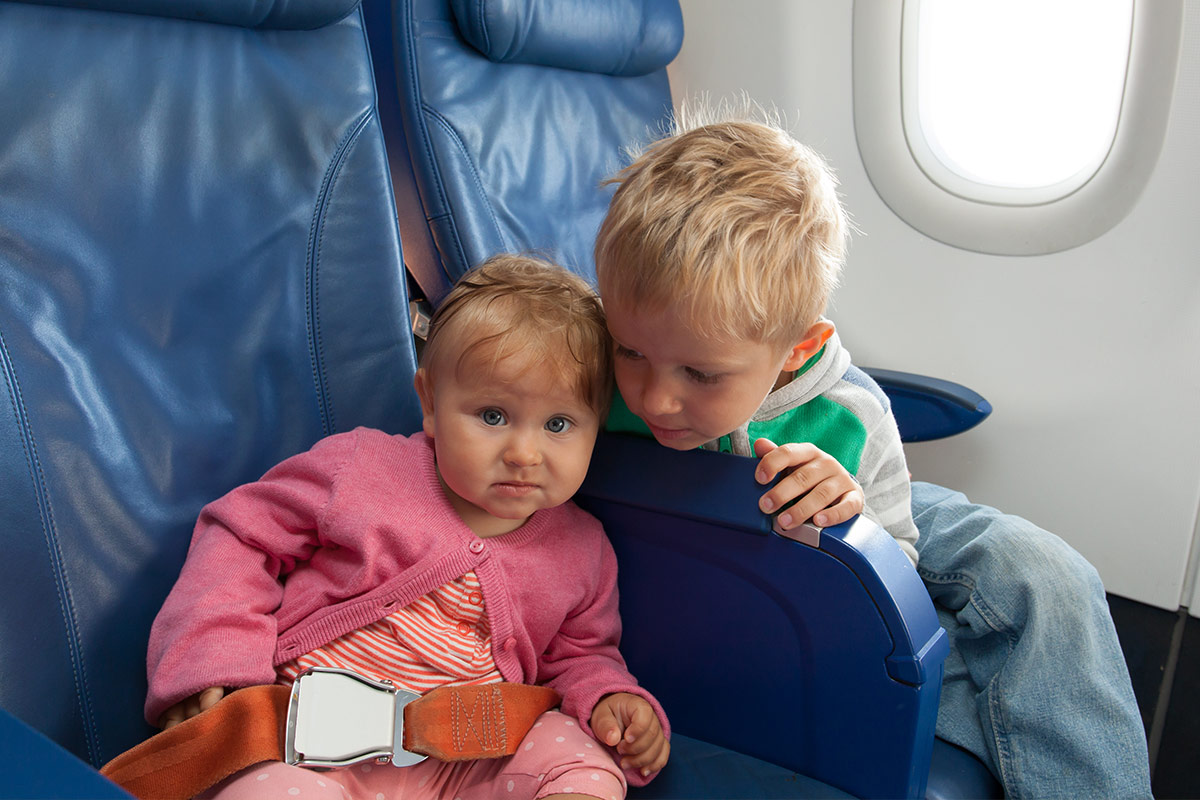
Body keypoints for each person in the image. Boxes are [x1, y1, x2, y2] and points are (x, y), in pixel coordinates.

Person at [593, 113, 1152, 799]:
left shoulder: (851, 415)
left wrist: (849, 517)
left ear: (797, 349)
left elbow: (898, 570)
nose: (654, 399)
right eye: (630, 352)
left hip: (862, 502)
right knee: (986, 675)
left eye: (701, 376)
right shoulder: (596, 359)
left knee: (1046, 572)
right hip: (748, 540)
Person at [142, 255, 670, 800]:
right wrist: (213, 656)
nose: (524, 453)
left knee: (578, 757)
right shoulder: (362, 468)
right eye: (492, 416)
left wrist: (609, 698)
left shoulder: (583, 550)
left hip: (468, 763)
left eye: (559, 424)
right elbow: (242, 535)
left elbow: (581, 656)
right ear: (431, 404)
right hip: (308, 750)